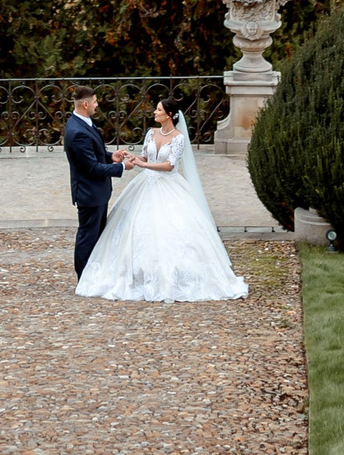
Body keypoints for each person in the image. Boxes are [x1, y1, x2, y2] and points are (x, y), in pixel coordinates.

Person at [75, 96, 248, 302]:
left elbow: (169, 166)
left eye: (158, 110)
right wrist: (132, 158)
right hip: (144, 185)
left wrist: (144, 166)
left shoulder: (179, 138)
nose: (154, 112)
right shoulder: (151, 133)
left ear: (169, 115)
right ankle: (135, 274)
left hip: (167, 186)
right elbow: (146, 157)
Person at [63, 86, 128, 276]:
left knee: (97, 236)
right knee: (87, 237)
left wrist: (111, 156)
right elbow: (91, 168)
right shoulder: (77, 132)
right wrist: (122, 167)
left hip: (97, 192)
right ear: (85, 104)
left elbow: (93, 155)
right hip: (89, 193)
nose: (97, 105)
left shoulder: (85, 122)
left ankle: (96, 274)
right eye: (95, 101)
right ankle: (84, 277)